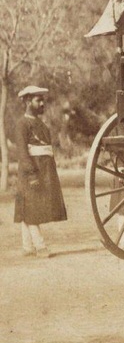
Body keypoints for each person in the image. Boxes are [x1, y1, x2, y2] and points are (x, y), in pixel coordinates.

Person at [13, 85, 66, 258]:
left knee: (27, 208)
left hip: (43, 172)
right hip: (31, 173)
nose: (42, 103)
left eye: (42, 99)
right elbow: (22, 152)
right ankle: (40, 246)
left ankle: (27, 246)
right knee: (31, 209)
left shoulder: (41, 124)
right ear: (28, 101)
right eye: (38, 100)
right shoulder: (22, 124)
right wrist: (32, 174)